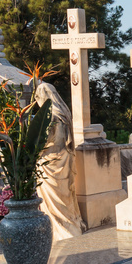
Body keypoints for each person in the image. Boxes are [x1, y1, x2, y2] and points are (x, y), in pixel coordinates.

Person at [34, 83, 84, 240]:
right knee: (65, 196)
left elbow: (42, 143)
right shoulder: (63, 114)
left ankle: (60, 230)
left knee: (53, 201)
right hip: (64, 159)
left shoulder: (49, 117)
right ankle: (73, 225)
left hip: (48, 162)